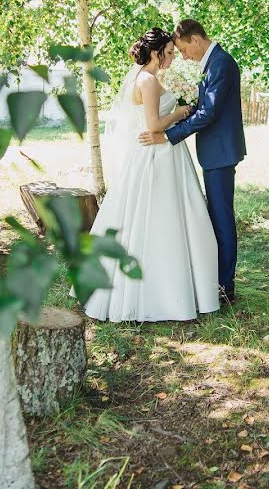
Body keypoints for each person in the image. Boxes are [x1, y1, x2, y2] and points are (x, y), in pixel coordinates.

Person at [80, 27, 220, 322]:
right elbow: (154, 125)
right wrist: (182, 112)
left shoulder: (144, 78)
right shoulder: (148, 81)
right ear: (156, 53)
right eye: (169, 53)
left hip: (156, 153)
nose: (172, 58)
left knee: (150, 220)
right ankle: (165, 293)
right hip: (156, 154)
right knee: (162, 219)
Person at [140, 19, 246, 304]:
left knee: (222, 218)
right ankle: (218, 280)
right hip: (215, 151)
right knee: (216, 215)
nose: (184, 56)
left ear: (196, 40)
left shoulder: (221, 63)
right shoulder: (214, 64)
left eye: (185, 50)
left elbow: (209, 113)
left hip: (221, 153)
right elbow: (205, 107)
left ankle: (225, 287)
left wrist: (170, 135)